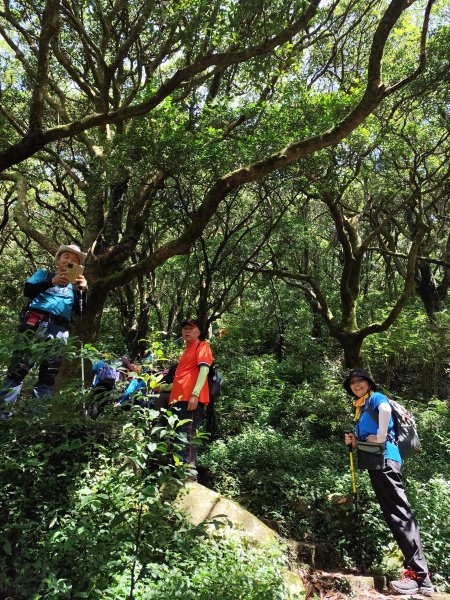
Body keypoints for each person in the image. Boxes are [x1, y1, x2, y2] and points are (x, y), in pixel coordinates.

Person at [343, 368, 434, 597]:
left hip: (385, 461)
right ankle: (418, 577)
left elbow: (384, 411)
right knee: (395, 514)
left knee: (399, 513)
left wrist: (382, 436)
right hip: (377, 463)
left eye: (360, 381)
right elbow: (370, 439)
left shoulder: (376, 398)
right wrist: (355, 441)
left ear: (368, 383)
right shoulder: (363, 408)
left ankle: (419, 576)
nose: (356, 385)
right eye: (352, 382)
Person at [0, 244, 88, 418]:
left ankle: (34, 421)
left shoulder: (74, 287)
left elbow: (81, 311)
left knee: (48, 377)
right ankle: (2, 416)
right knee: (17, 370)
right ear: (58, 259)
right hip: (34, 322)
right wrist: (51, 282)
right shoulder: (44, 274)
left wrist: (83, 291)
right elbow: (28, 291)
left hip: (59, 329)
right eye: (66, 257)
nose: (69, 261)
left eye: (75, 260)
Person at [167, 318, 213, 479]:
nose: (186, 331)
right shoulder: (186, 350)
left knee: (188, 433)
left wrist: (195, 394)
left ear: (198, 332)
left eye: (190, 328)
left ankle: (189, 472)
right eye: (184, 328)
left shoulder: (202, 346)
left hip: (191, 400)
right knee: (179, 434)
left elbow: (204, 371)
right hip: (179, 400)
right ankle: (180, 470)